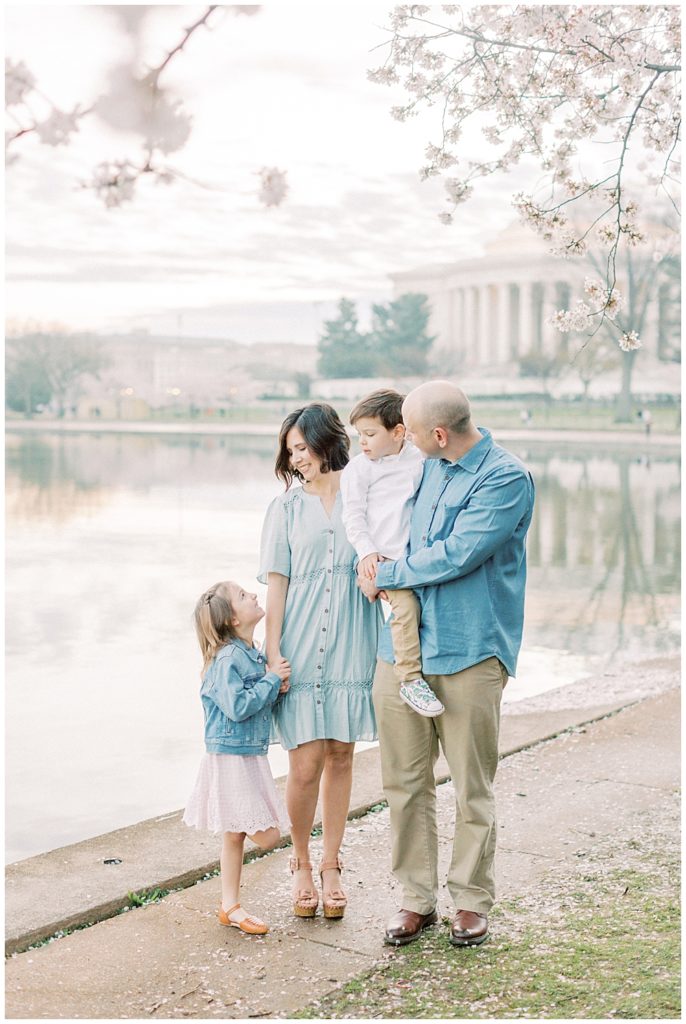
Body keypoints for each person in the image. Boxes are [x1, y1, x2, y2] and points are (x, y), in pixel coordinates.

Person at [358, 381, 535, 949]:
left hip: (469, 652)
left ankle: (470, 901)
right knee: (405, 783)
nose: (402, 437)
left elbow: (457, 554)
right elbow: (378, 503)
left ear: (438, 434)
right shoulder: (425, 465)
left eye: (410, 429)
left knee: (470, 786)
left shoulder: (506, 479)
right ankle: (416, 899)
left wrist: (383, 575)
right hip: (402, 654)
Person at [259, 403, 383, 920]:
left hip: (355, 639)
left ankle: (332, 863)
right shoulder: (284, 509)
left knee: (341, 754)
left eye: (302, 449)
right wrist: (273, 653)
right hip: (302, 645)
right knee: (304, 764)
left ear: (325, 442)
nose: (297, 460)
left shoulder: (367, 494)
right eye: (291, 453)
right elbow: (277, 587)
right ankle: (302, 862)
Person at [183, 580, 291, 935]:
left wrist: (273, 683)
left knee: (233, 836)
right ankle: (230, 905)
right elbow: (238, 706)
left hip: (246, 754)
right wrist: (272, 681)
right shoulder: (227, 658)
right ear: (231, 619)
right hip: (231, 758)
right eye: (244, 596)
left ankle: (230, 907)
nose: (254, 595)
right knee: (268, 835)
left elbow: (253, 697)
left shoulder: (250, 652)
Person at [340, 388, 443, 717]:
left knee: (421, 612)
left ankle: (426, 669)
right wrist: (367, 555)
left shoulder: (419, 459)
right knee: (405, 612)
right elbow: (353, 516)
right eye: (359, 435)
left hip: (414, 557)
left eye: (370, 434)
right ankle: (410, 678)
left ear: (398, 432)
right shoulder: (359, 469)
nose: (363, 443)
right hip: (382, 558)